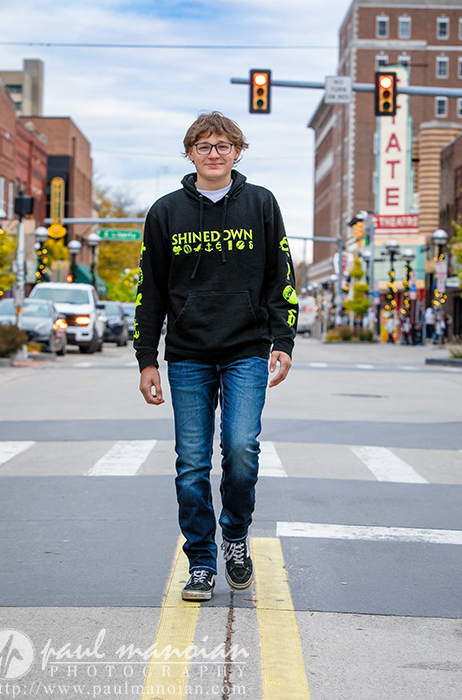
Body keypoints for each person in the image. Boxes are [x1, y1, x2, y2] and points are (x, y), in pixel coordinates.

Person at [134, 112, 297, 601]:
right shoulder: (165, 212)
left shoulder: (261, 204)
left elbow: (280, 276)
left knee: (242, 452)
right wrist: (147, 359)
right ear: (189, 153)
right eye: (204, 145)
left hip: (247, 349)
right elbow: (151, 291)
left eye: (224, 145)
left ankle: (236, 539)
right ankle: (202, 560)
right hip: (187, 355)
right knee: (191, 464)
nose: (214, 153)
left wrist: (282, 342)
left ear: (238, 152)